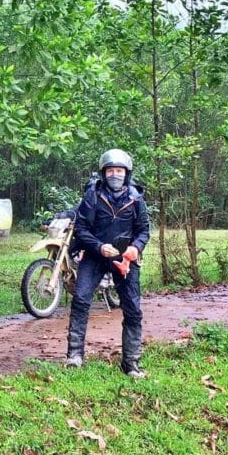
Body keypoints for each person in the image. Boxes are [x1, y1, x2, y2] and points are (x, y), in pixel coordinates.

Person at [66, 149, 149, 378]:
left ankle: (131, 363)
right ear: (103, 173)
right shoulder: (92, 195)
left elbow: (143, 230)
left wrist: (136, 248)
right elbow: (81, 229)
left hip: (124, 258)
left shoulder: (136, 198)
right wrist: (98, 246)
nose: (115, 174)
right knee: (81, 300)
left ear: (127, 173)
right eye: (110, 170)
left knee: (132, 309)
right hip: (94, 255)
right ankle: (74, 355)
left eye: (119, 170)